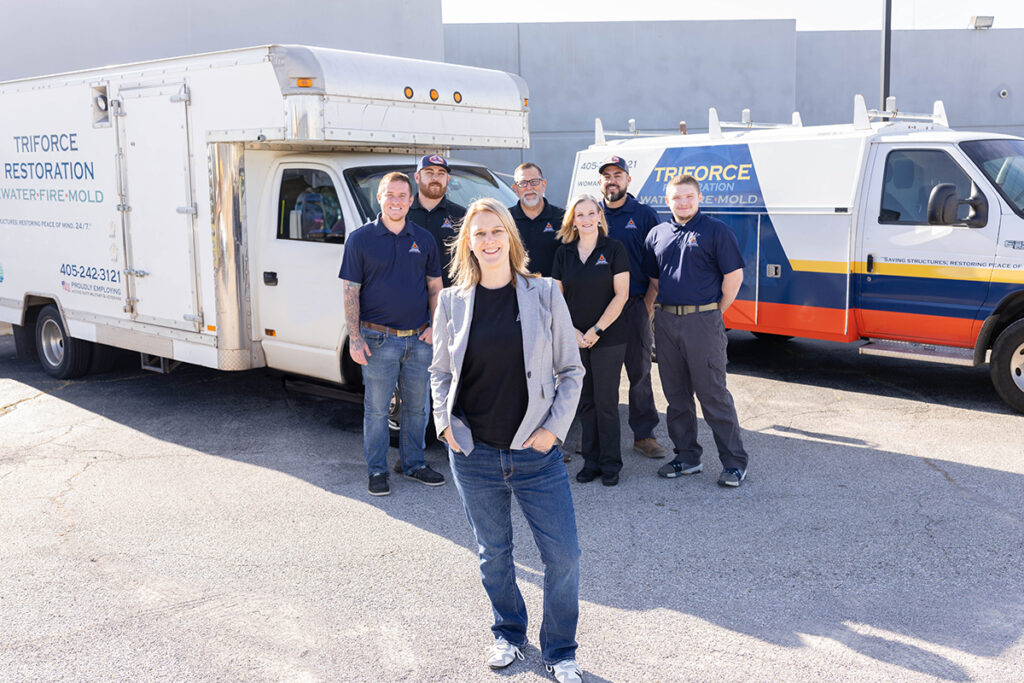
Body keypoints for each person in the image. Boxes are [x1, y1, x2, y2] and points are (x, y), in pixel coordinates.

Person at [429, 198, 585, 683]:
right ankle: (509, 634)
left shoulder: (543, 293)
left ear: (510, 238)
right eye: (480, 234)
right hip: (474, 455)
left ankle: (559, 650)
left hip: (535, 454)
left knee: (563, 555)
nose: (490, 241)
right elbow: (439, 371)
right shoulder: (452, 303)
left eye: (497, 231)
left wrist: (552, 431)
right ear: (468, 243)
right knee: (493, 553)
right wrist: (445, 424)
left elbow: (571, 369)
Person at [339, 171, 446, 496]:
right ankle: (377, 470)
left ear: (411, 201)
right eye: (390, 195)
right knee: (376, 409)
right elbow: (350, 291)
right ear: (380, 198)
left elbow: (435, 288)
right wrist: (355, 338)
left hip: (419, 339)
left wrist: (433, 328)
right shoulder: (360, 239)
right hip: (376, 340)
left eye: (402, 196)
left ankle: (413, 464)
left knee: (417, 408)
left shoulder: (423, 239)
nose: (396, 201)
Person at [643, 174, 750, 487]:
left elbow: (734, 279)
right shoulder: (657, 234)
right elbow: (655, 281)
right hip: (666, 321)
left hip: (703, 322)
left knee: (712, 394)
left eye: (689, 196)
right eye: (677, 197)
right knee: (676, 396)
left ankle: (734, 463)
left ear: (699, 198)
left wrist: (713, 312)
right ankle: (687, 457)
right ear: (668, 201)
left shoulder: (716, 231)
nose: (683, 202)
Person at [551, 195, 630, 486]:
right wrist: (571, 331)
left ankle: (611, 464)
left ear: (599, 216)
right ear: (572, 220)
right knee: (584, 401)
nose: (585, 219)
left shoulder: (614, 249)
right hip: (574, 338)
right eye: (579, 214)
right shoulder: (563, 254)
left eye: (590, 213)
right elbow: (556, 298)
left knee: (606, 401)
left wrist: (596, 329)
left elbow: (621, 294)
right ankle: (591, 461)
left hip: (608, 337)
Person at [598, 155, 666, 459]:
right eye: (607, 176)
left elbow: (657, 268)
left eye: (618, 175)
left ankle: (644, 435)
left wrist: (646, 307)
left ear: (628, 180)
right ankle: (599, 434)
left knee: (639, 372)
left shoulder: (645, 215)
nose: (612, 180)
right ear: (600, 181)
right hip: (596, 310)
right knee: (599, 375)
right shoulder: (589, 213)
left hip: (635, 306)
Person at [408, 153, 466, 287]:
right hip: (412, 298)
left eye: (441, 173)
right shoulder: (403, 214)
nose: (435, 178)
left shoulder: (461, 215)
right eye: (429, 172)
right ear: (417, 177)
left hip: (450, 297)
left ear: (447, 178)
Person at [508, 162, 564, 277]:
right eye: (523, 183)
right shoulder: (505, 219)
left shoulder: (562, 218)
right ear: (515, 188)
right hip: (515, 290)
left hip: (553, 290)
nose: (529, 188)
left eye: (534, 182)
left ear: (543, 184)